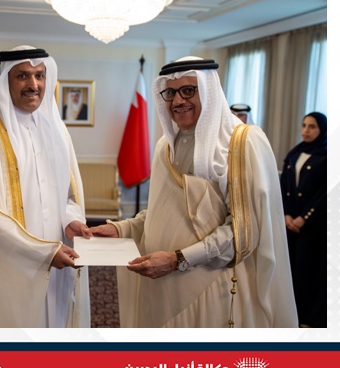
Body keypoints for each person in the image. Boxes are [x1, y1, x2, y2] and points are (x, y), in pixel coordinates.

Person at [90, 56, 297, 328]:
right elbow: (164, 211)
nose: (177, 101)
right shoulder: (166, 146)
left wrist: (178, 260)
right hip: (160, 284)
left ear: (209, 90)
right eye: (170, 93)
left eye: (188, 90)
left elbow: (244, 232)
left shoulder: (242, 142)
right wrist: (121, 228)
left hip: (210, 288)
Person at [0, 45, 92, 328]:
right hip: (7, 264)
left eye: (39, 75)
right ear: (5, 80)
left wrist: (71, 220)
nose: (33, 84)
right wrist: (40, 252)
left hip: (59, 257)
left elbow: (67, 195)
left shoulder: (57, 130)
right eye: (22, 76)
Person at [280, 112, 327, 328]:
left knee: (307, 271)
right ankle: (290, 314)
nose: (306, 130)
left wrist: (304, 218)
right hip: (290, 223)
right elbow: (283, 186)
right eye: (304, 125)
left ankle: (307, 318)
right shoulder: (294, 154)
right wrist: (286, 214)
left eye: (312, 127)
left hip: (312, 227)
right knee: (290, 270)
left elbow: (323, 193)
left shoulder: (325, 156)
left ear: (321, 130)